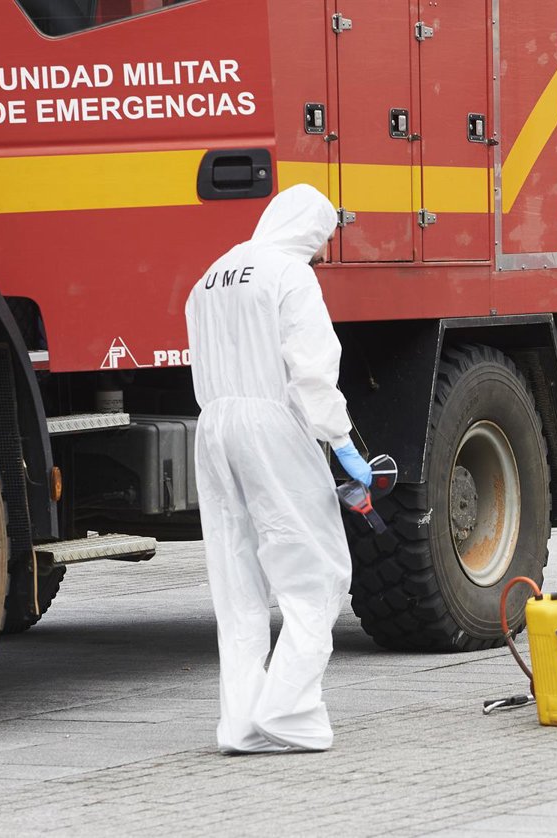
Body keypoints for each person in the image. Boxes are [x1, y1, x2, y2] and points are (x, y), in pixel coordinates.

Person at [184, 184, 372, 754]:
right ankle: (288, 711)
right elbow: (311, 371)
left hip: (213, 425)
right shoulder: (290, 274)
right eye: (324, 238)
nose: (322, 251)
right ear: (310, 228)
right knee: (318, 573)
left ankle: (241, 724)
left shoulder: (211, 276)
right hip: (270, 424)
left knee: (236, 582)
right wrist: (341, 442)